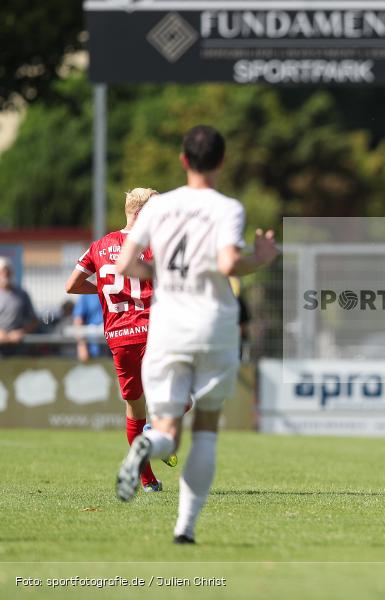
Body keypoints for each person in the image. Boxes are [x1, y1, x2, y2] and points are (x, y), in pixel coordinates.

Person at [113, 125, 279, 545]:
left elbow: (126, 263)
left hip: (167, 326)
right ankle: (184, 528)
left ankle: (149, 446)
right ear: (222, 161)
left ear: (184, 160)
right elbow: (227, 263)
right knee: (205, 427)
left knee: (166, 429)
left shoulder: (157, 207)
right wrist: (259, 258)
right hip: (212, 325)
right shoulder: (227, 208)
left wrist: (163, 277)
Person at [65, 188, 173, 493]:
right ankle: (155, 433)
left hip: (118, 338)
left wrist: (102, 289)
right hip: (153, 333)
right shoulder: (152, 246)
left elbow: (71, 285)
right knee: (185, 393)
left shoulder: (98, 246)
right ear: (141, 213)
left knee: (135, 410)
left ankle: (148, 480)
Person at [72, 293, 106, 361]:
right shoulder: (87, 294)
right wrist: (81, 345)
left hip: (114, 348)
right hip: (93, 349)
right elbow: (78, 320)